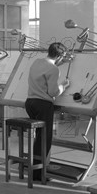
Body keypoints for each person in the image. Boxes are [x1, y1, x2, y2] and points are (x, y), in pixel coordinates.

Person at [25, 42, 71, 181]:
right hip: (43, 105)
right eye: (62, 56)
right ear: (59, 55)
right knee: (45, 139)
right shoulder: (53, 69)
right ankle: (38, 174)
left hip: (30, 102)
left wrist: (61, 63)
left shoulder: (37, 62)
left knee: (39, 137)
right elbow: (53, 92)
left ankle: (33, 167)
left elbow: (48, 69)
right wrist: (64, 85)